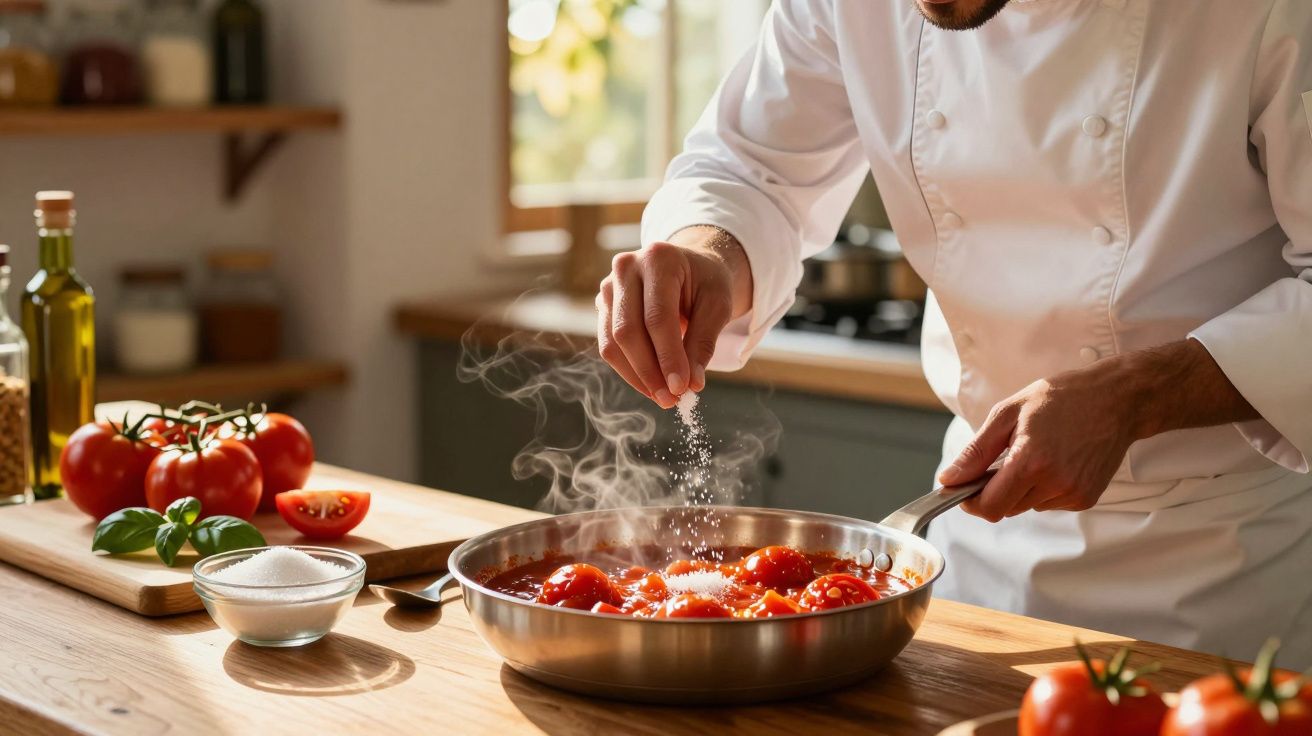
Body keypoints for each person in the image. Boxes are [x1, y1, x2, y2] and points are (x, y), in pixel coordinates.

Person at [594, 0, 1312, 667]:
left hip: (1228, 571)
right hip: (979, 547)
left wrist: (1135, 396)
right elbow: (751, 168)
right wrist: (707, 252)